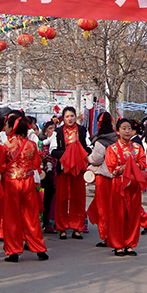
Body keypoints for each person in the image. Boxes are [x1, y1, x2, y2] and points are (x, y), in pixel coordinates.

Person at [0, 114, 49, 262]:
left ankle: (13, 251)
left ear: (12, 128)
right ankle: (39, 249)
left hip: (11, 183)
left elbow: (0, 166)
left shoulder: (5, 147)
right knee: (31, 217)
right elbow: (36, 164)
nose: (5, 128)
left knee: (12, 218)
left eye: (7, 125)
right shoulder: (31, 145)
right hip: (28, 183)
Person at [105, 118, 147, 257]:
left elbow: (143, 163)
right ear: (117, 131)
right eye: (123, 128)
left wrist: (134, 166)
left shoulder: (137, 147)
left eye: (129, 128)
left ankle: (130, 244)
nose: (127, 131)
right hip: (119, 184)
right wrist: (123, 168)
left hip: (134, 184)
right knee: (118, 215)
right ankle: (118, 245)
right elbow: (111, 168)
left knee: (133, 214)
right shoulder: (112, 149)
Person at [50, 106, 92, 240]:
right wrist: (68, 154)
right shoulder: (58, 132)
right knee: (62, 199)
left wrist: (77, 153)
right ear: (63, 118)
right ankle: (62, 228)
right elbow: (53, 150)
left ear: (75, 117)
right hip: (63, 169)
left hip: (78, 170)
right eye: (67, 116)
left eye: (72, 116)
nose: (70, 119)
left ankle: (77, 227)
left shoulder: (82, 130)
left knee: (77, 198)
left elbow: (89, 147)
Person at [87, 112, 118, 247]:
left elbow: (96, 159)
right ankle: (115, 235)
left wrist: (88, 158)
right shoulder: (116, 139)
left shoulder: (101, 142)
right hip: (115, 176)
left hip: (103, 177)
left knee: (103, 208)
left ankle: (105, 236)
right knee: (114, 207)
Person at [39, 120, 57, 233]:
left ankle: (53, 222)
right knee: (47, 199)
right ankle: (46, 222)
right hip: (46, 175)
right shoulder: (42, 143)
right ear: (45, 130)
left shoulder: (57, 141)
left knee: (54, 198)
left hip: (55, 173)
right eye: (50, 128)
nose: (52, 130)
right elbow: (45, 156)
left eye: (54, 128)